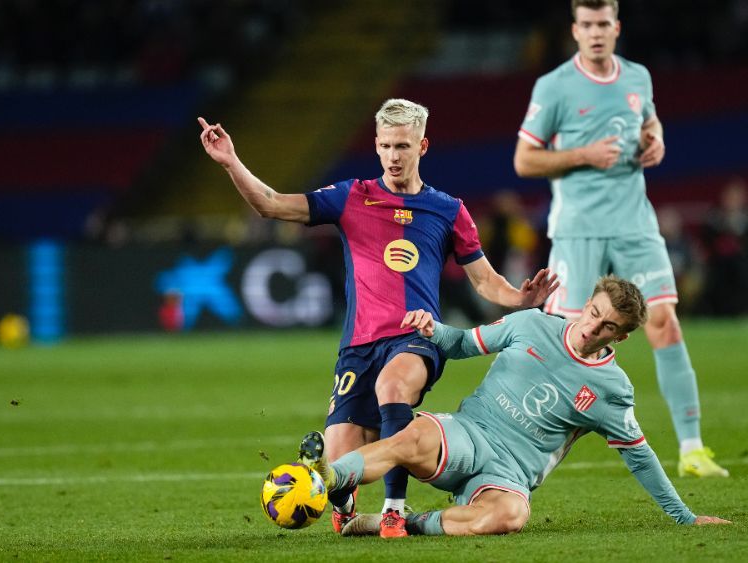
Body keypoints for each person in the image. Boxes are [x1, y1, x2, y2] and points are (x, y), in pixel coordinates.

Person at [197, 99, 558, 538]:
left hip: (417, 336)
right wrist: (231, 161)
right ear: (376, 144)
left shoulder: (448, 210)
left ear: (422, 146)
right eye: (386, 145)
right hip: (358, 348)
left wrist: (519, 297)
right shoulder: (352, 196)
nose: (393, 155)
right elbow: (271, 205)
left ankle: (394, 511)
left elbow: (484, 281)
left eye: (403, 145)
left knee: (392, 387)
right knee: (342, 457)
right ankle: (343, 503)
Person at [304, 275, 732, 536]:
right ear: (587, 304)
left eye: (608, 327)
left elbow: (640, 458)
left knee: (510, 516)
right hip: (469, 435)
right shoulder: (532, 324)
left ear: (619, 337)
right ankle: (326, 477)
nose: (592, 328)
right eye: (594, 313)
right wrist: (433, 328)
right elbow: (463, 344)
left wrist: (685, 518)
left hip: (508, 475)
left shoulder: (612, 390)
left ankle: (401, 524)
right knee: (411, 435)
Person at [512, 0, 728, 477]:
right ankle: (518, 445)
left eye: (602, 24)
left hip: (635, 224)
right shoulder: (554, 87)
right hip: (578, 229)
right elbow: (525, 161)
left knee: (664, 322)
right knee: (566, 342)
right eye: (586, 25)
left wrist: (657, 137)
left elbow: (649, 122)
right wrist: (583, 154)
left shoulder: (637, 78)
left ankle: (692, 449)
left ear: (616, 27)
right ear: (574, 30)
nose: (594, 33)